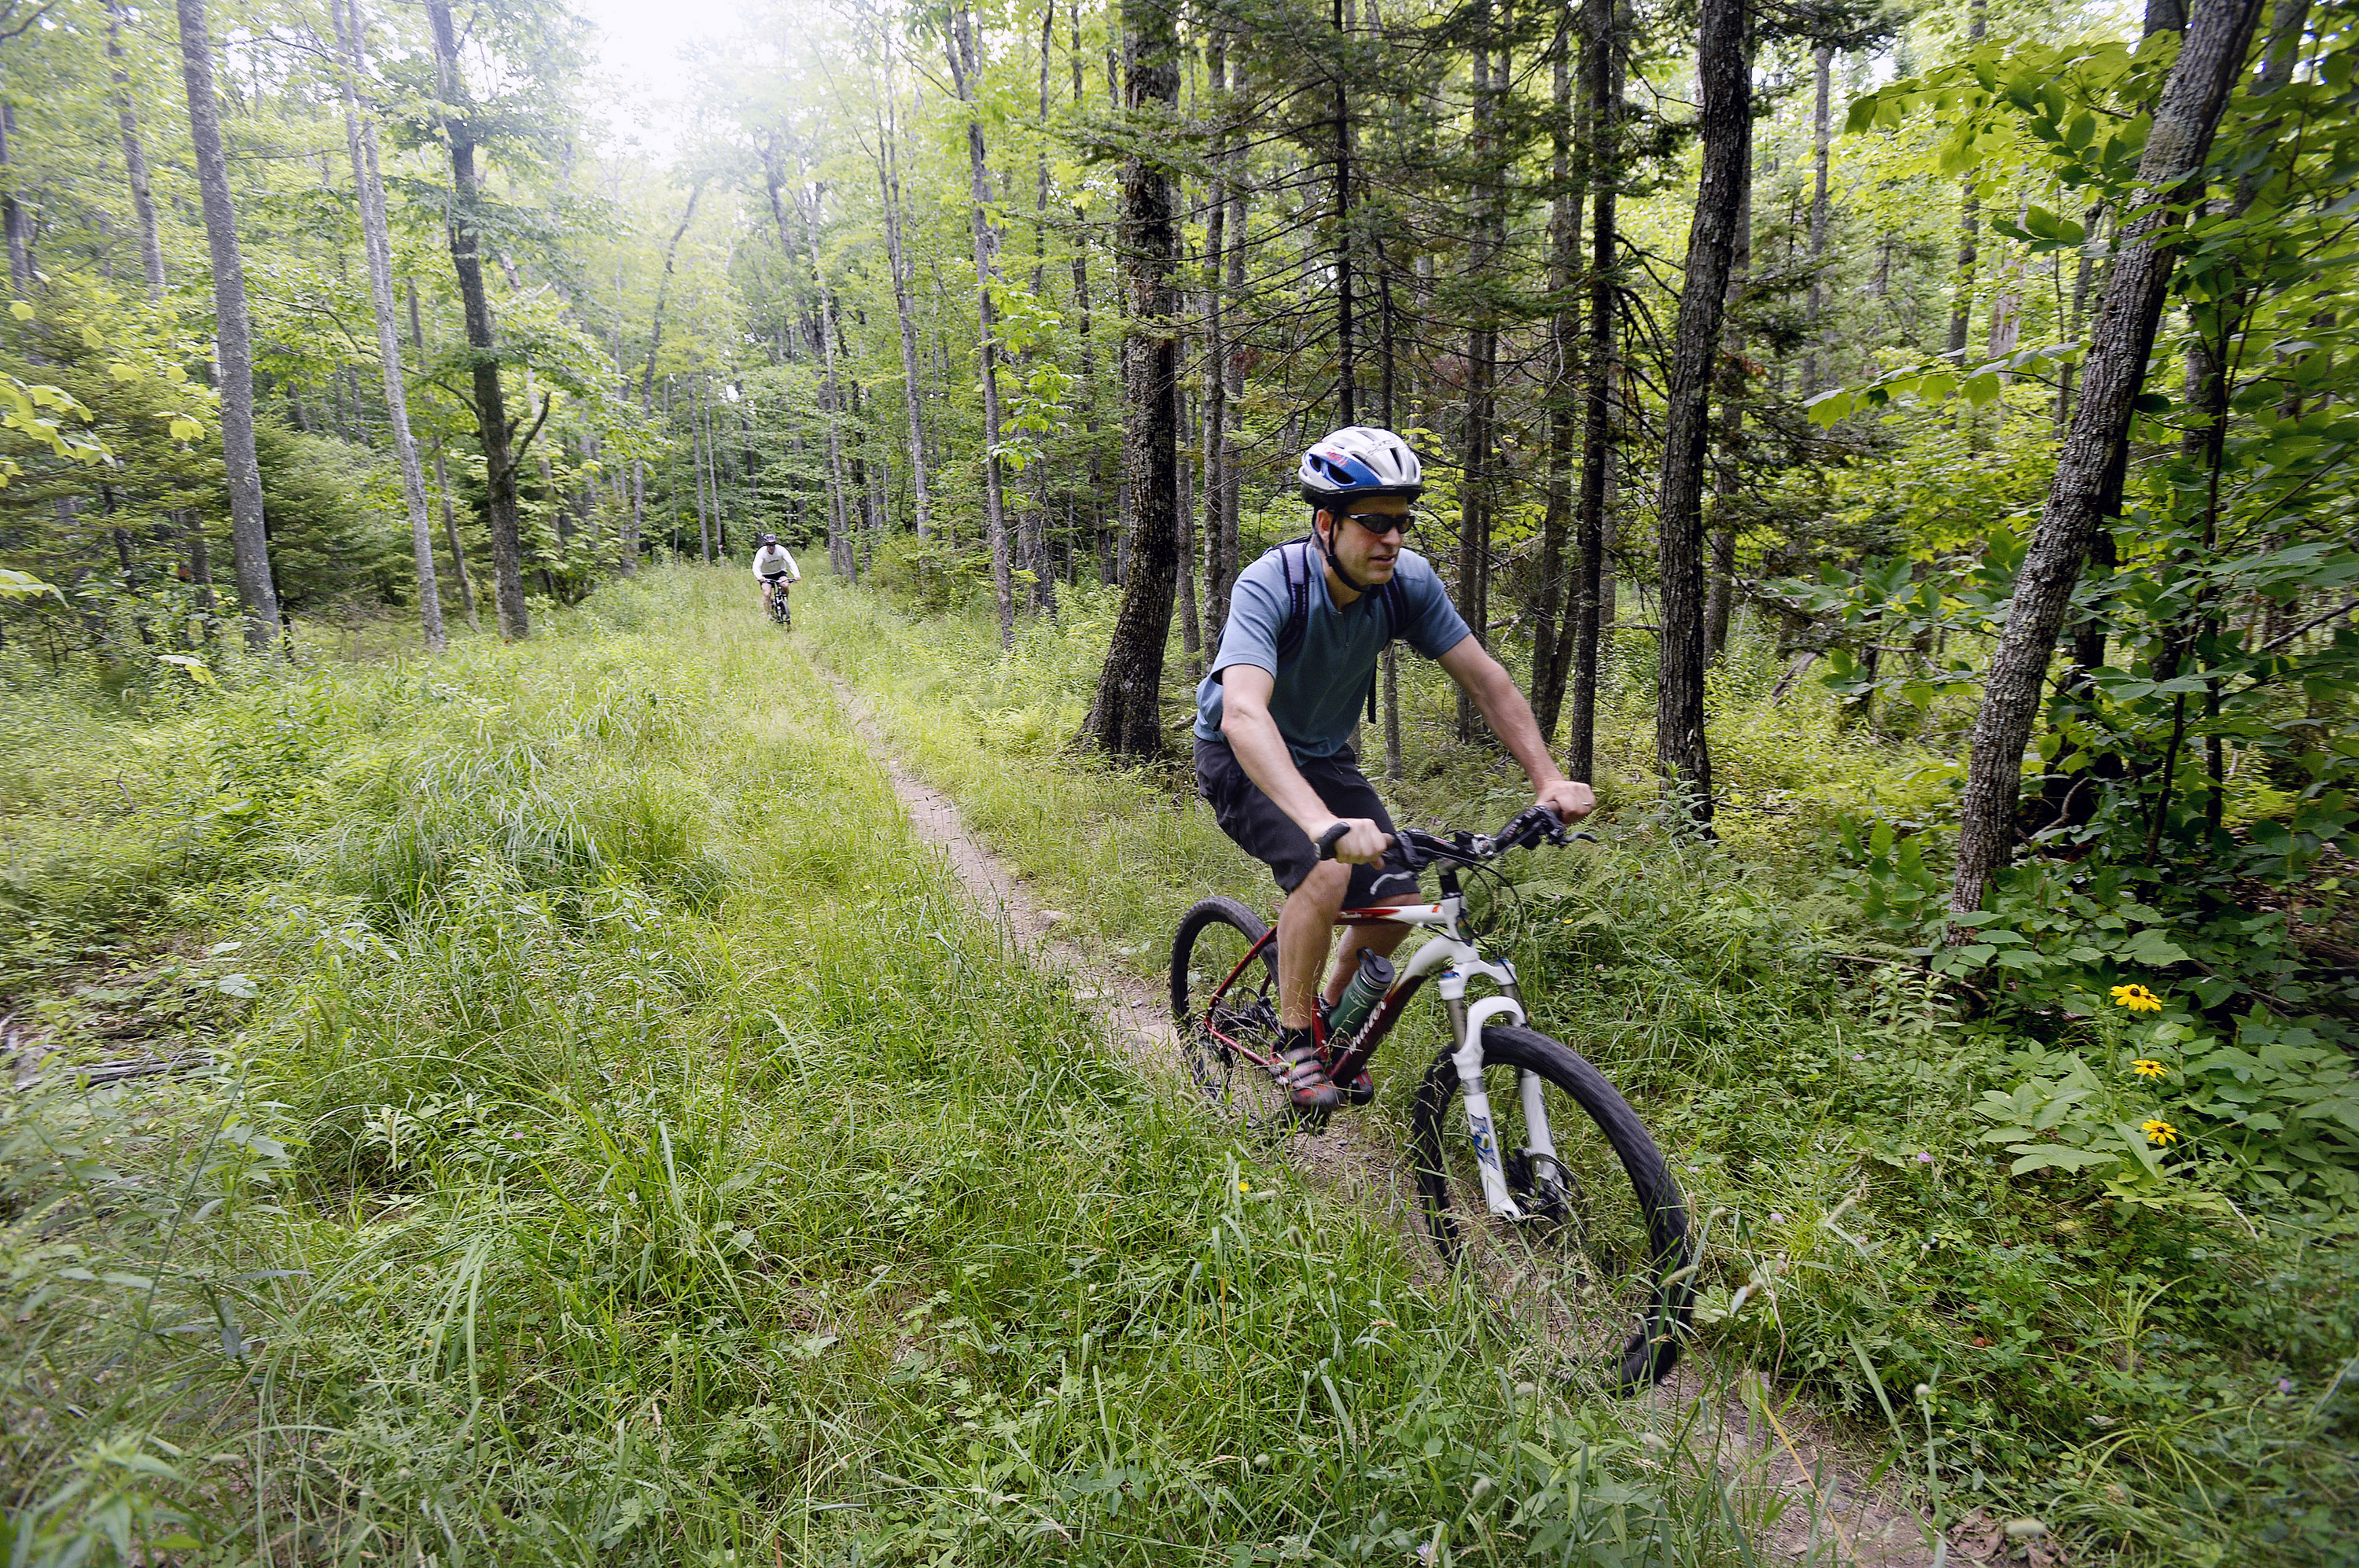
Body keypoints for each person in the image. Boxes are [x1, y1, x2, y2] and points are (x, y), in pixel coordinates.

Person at [1193, 425, 1595, 1113]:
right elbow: (1244, 716)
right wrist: (1322, 824)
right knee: (1325, 869)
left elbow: (1488, 682)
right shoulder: (1272, 584)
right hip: (1240, 757)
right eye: (1373, 522)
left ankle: (1326, 1015)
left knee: (1401, 898)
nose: (1392, 539)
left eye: (1402, 522)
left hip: (1323, 755)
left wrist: (1547, 779)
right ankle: (1294, 1040)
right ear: (1327, 523)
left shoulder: (1405, 583)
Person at [751, 534, 800, 620]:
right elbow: (756, 566)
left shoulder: (781, 550)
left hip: (780, 572)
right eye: (769, 545)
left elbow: (791, 562)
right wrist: (759, 577)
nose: (771, 547)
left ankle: (785, 602)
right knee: (767, 594)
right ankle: (770, 614)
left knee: (785, 585)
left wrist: (796, 575)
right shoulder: (761, 552)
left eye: (773, 544)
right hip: (766, 575)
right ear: (766, 545)